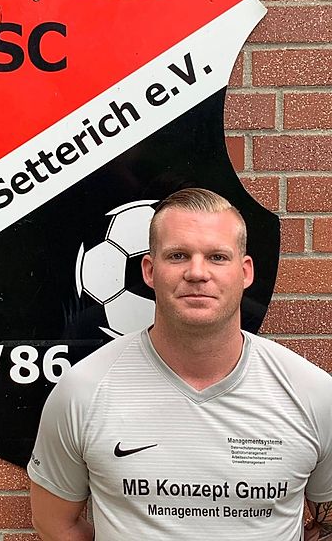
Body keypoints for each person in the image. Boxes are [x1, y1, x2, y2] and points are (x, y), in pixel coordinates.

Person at [27, 188, 332, 541]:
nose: (197, 272)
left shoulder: (313, 395)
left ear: (245, 272)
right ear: (150, 270)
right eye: (178, 256)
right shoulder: (83, 390)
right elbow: (55, 524)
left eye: (217, 257)